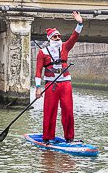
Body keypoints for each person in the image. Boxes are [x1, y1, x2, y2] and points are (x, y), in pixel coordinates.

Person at [35, 11, 84, 143]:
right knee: (50, 111)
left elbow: (74, 36)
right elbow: (38, 71)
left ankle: (69, 138)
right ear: (49, 38)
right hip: (51, 85)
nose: (57, 38)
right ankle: (47, 138)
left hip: (66, 83)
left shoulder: (65, 47)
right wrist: (38, 88)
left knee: (68, 110)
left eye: (58, 36)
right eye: (55, 36)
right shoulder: (42, 52)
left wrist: (79, 23)